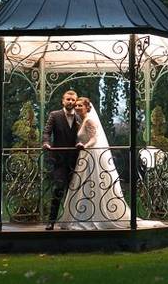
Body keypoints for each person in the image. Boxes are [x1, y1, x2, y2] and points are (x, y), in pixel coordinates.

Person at [56, 96, 131, 229]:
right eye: (76, 105)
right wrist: (80, 143)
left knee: (93, 183)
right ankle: (85, 213)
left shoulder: (89, 120)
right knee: (84, 185)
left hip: (91, 154)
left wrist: (85, 146)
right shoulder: (82, 120)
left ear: (87, 107)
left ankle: (94, 216)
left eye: (80, 105)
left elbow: (94, 138)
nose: (77, 107)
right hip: (84, 154)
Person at [42, 89, 81, 230]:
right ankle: (51, 221)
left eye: (73, 100)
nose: (70, 102)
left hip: (76, 159)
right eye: (68, 99)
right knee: (58, 189)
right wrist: (46, 143)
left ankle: (71, 221)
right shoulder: (55, 115)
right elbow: (47, 132)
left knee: (74, 191)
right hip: (59, 159)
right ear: (63, 101)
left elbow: (82, 134)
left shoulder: (80, 116)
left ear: (75, 101)